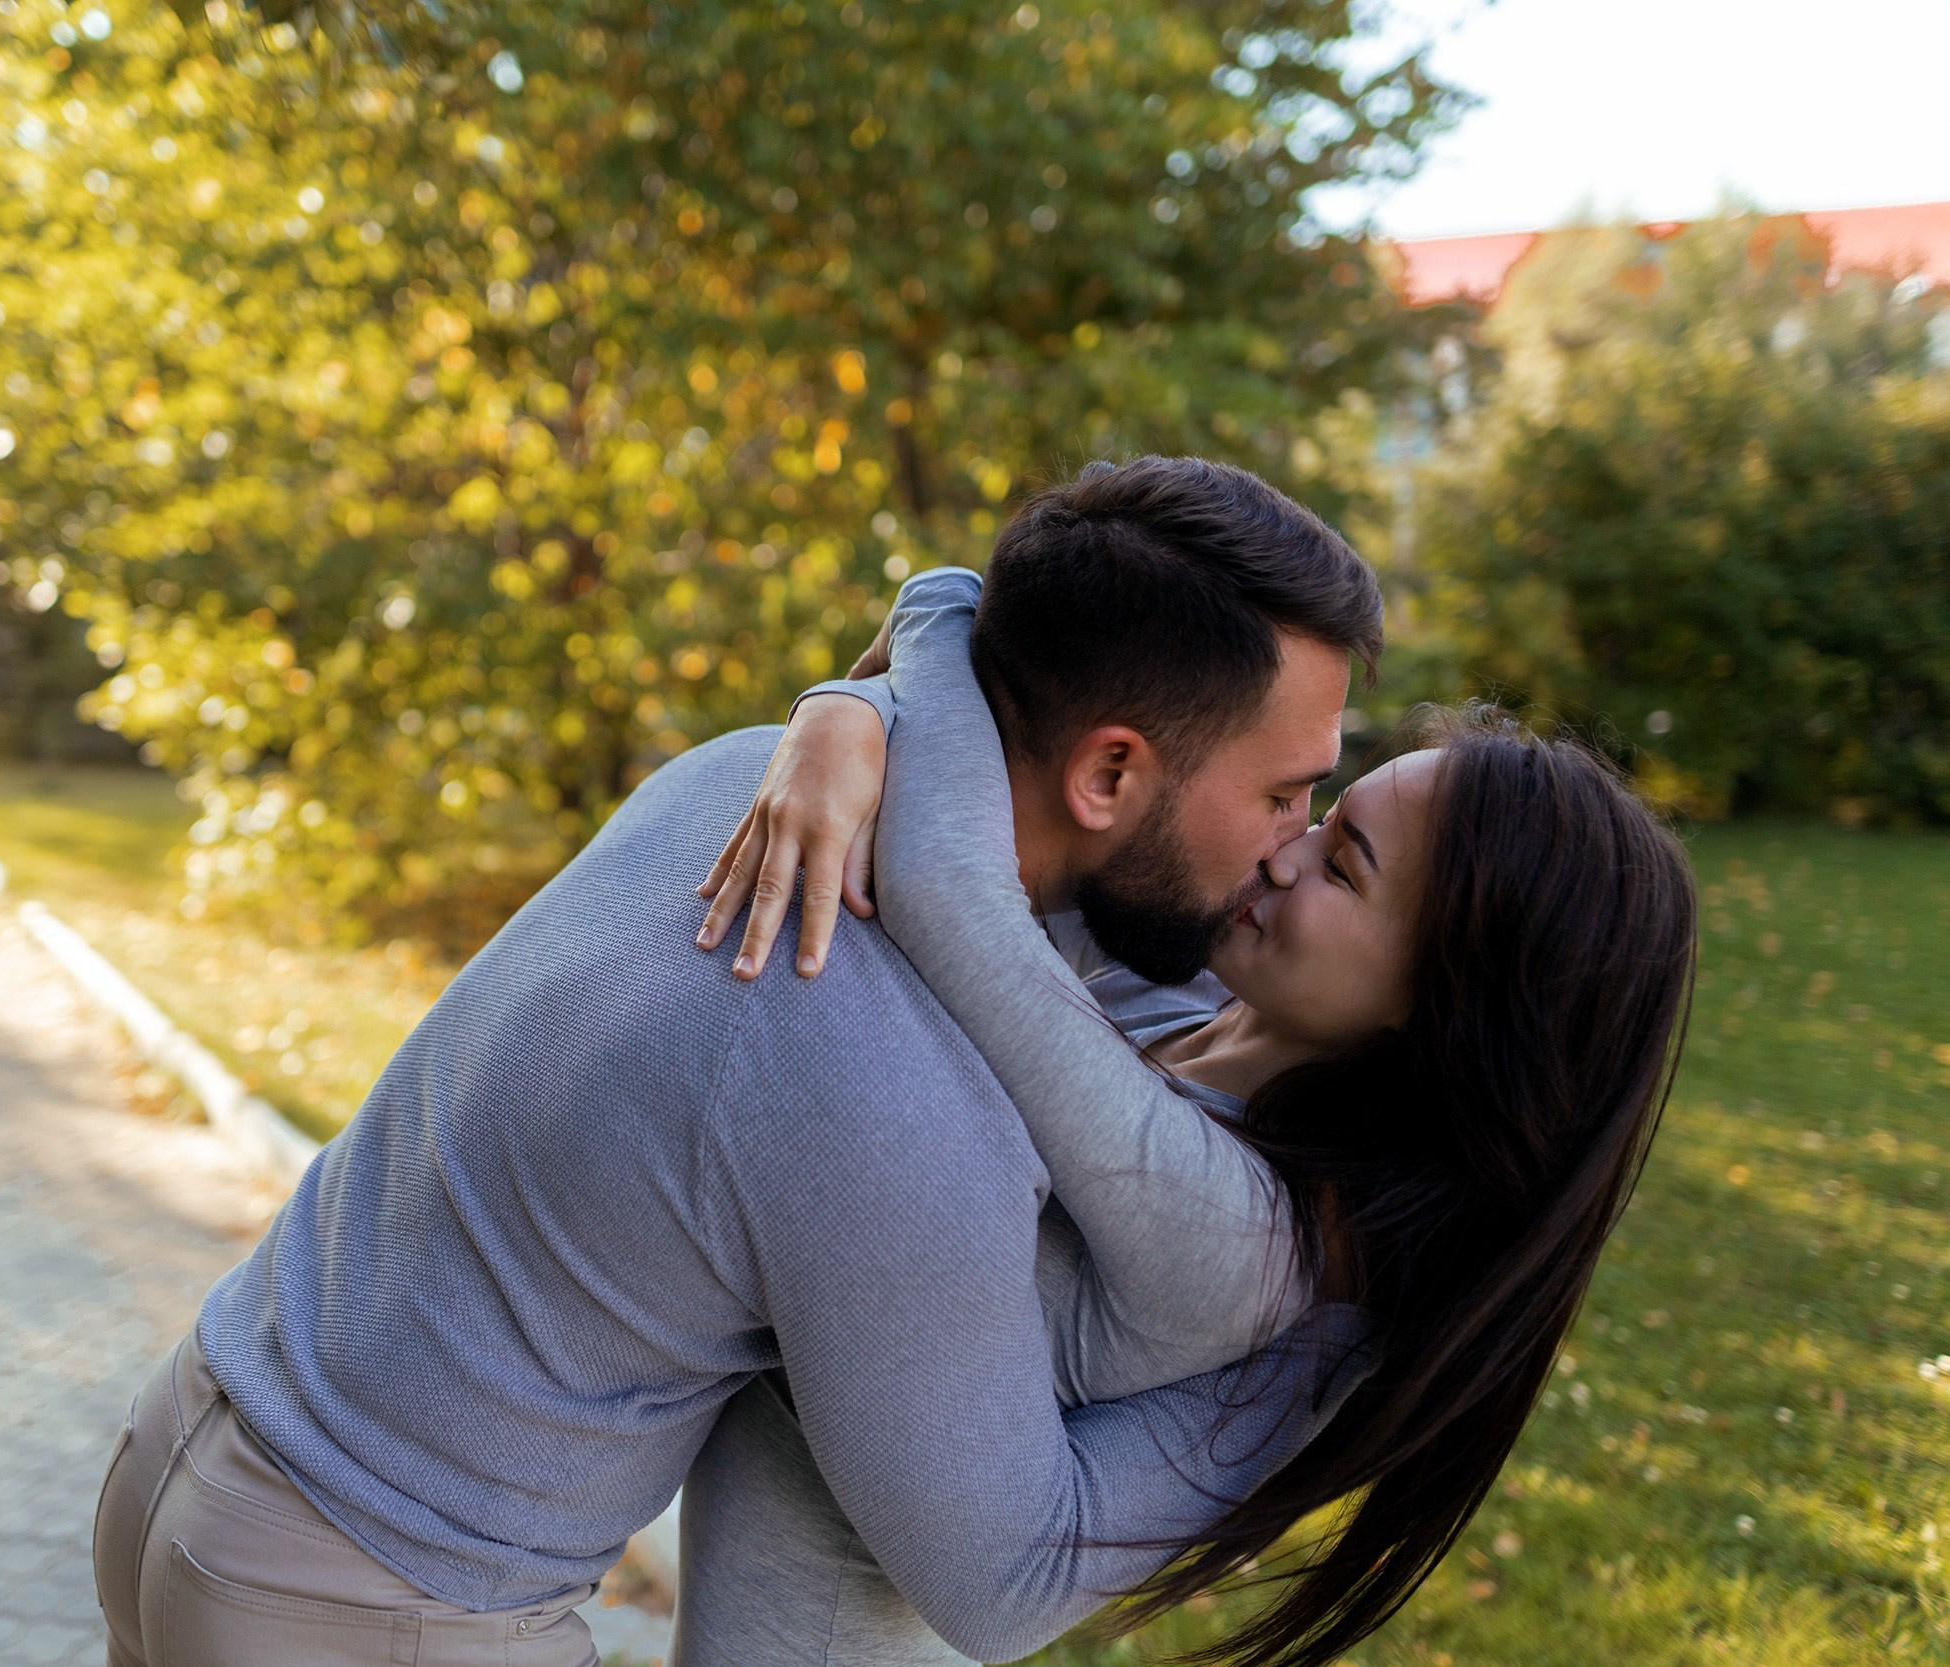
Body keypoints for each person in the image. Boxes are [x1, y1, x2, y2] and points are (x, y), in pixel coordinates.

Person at [90, 456, 1389, 1666]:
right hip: (374, 1599)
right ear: (1110, 770)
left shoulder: (750, 775)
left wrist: (877, 677)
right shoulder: (904, 1099)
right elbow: (1007, 1571)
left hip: (191, 1436)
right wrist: (1347, 1349)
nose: (1289, 842)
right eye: (1285, 793)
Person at [685, 468, 1697, 1665]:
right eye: (1315, 806)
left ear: (1444, 1009)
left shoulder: (1246, 1236)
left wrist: (908, 641)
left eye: (1345, 866)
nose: (1280, 853)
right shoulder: (1172, 996)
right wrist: (847, 714)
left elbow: (949, 883)